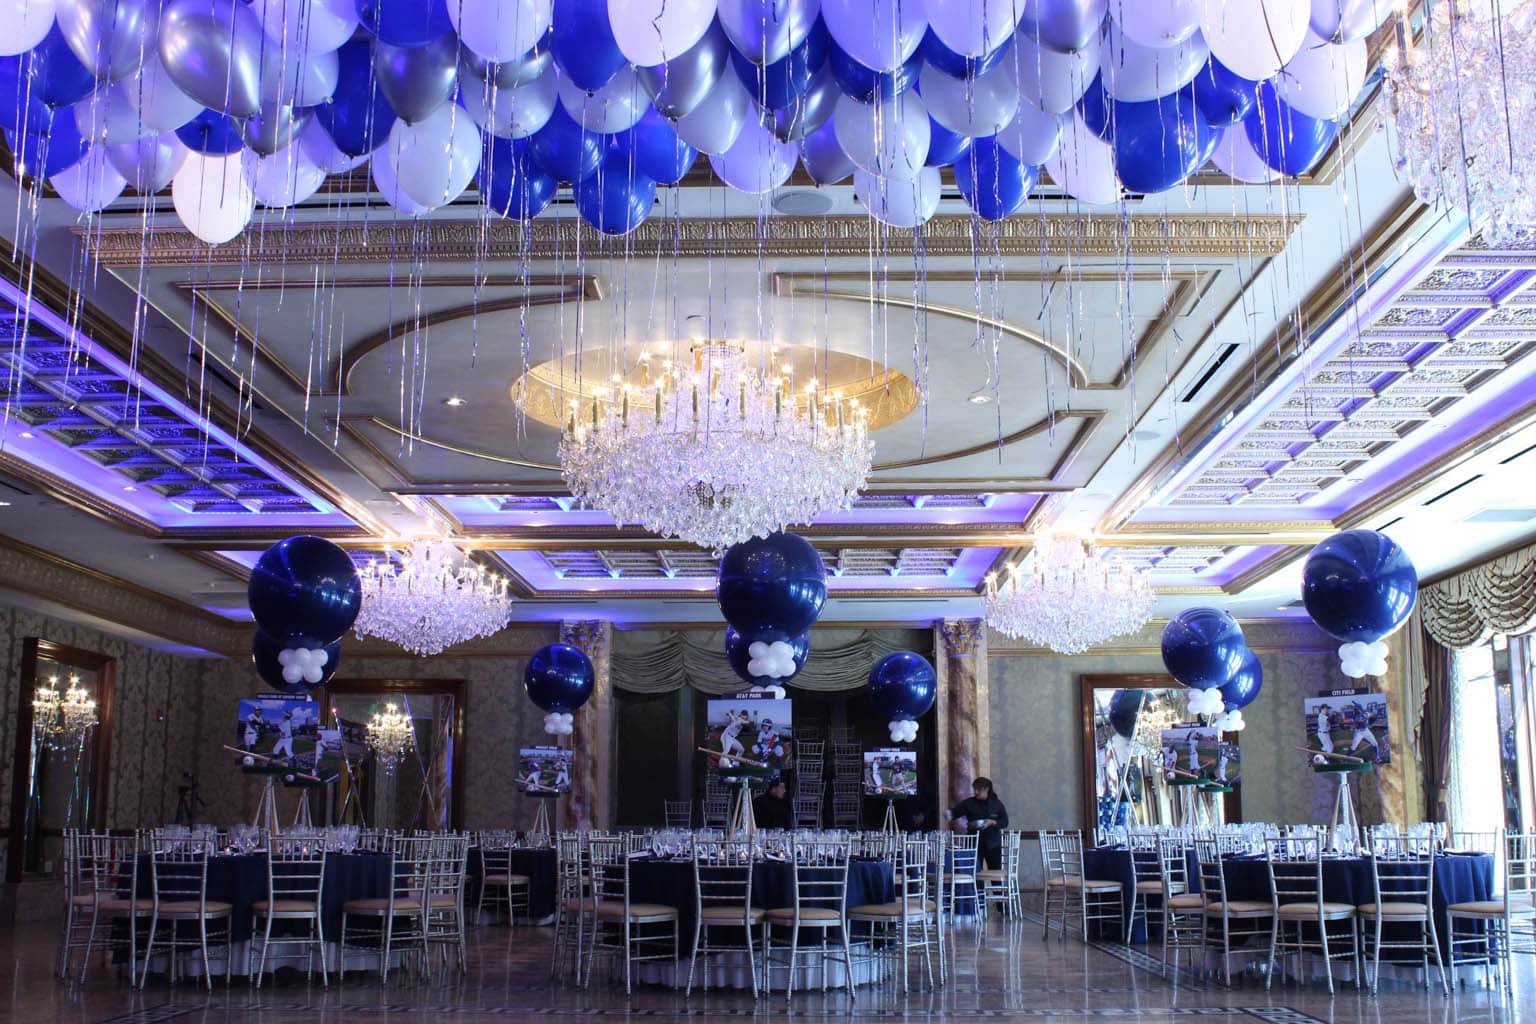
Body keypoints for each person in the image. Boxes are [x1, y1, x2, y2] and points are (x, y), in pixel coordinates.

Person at [947, 777, 1009, 870]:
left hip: (993, 843)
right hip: (974, 843)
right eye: (974, 789)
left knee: (995, 871)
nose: (975, 792)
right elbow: (954, 813)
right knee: (975, 872)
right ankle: (978, 885)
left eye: (978, 789)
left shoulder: (997, 804)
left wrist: (992, 822)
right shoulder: (969, 803)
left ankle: (997, 885)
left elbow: (1005, 822)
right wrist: (949, 814)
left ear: (987, 789)